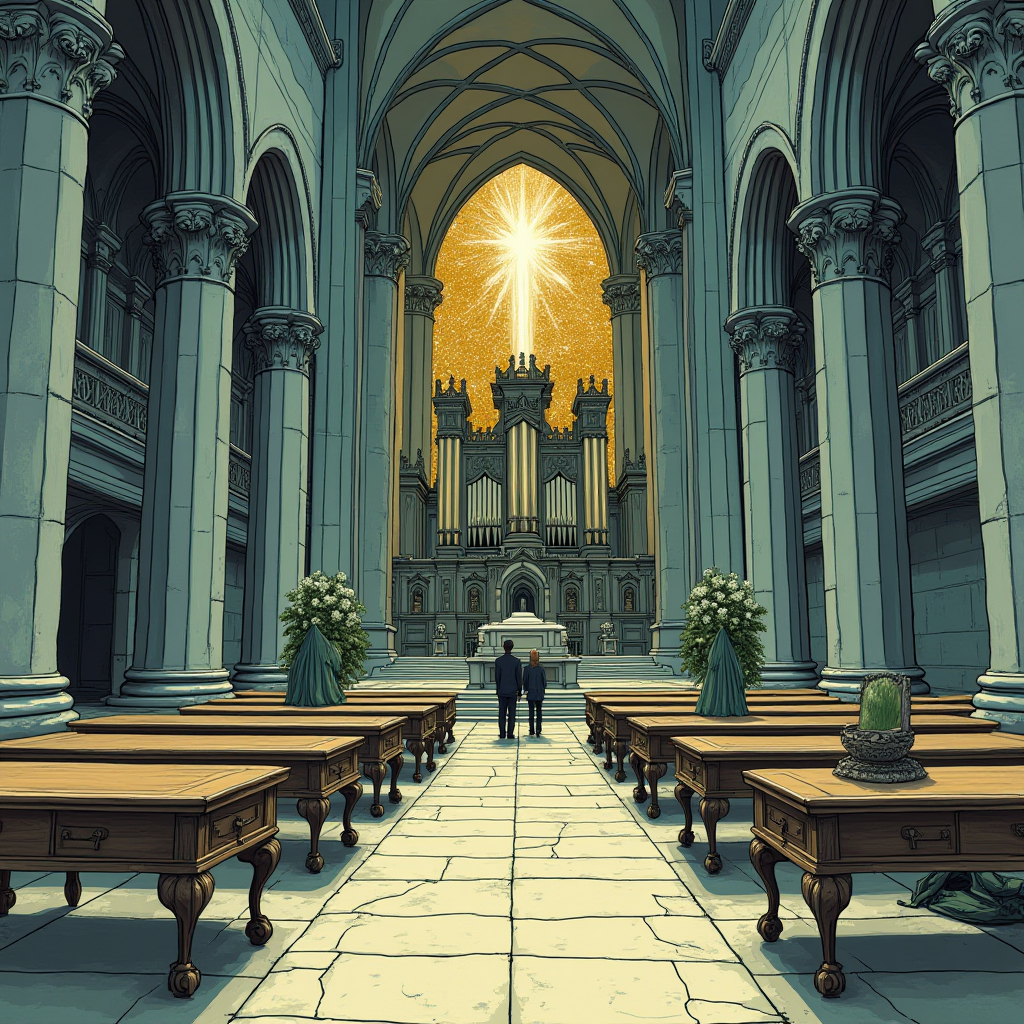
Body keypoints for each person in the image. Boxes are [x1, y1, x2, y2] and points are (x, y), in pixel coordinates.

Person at [494, 638, 522, 739]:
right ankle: (510, 733)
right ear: (512, 647)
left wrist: (498, 690)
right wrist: (519, 692)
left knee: (502, 713)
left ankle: (502, 733)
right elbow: (519, 678)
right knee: (512, 713)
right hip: (512, 691)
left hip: (502, 691)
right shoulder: (516, 661)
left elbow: (497, 678)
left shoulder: (498, 661)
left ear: (503, 647)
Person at [523, 649, 547, 737]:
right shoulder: (541, 669)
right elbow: (544, 682)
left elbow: (525, 681)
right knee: (539, 712)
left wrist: (526, 690)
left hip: (531, 694)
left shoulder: (526, 669)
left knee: (531, 712)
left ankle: (531, 729)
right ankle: (538, 729)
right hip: (539, 693)